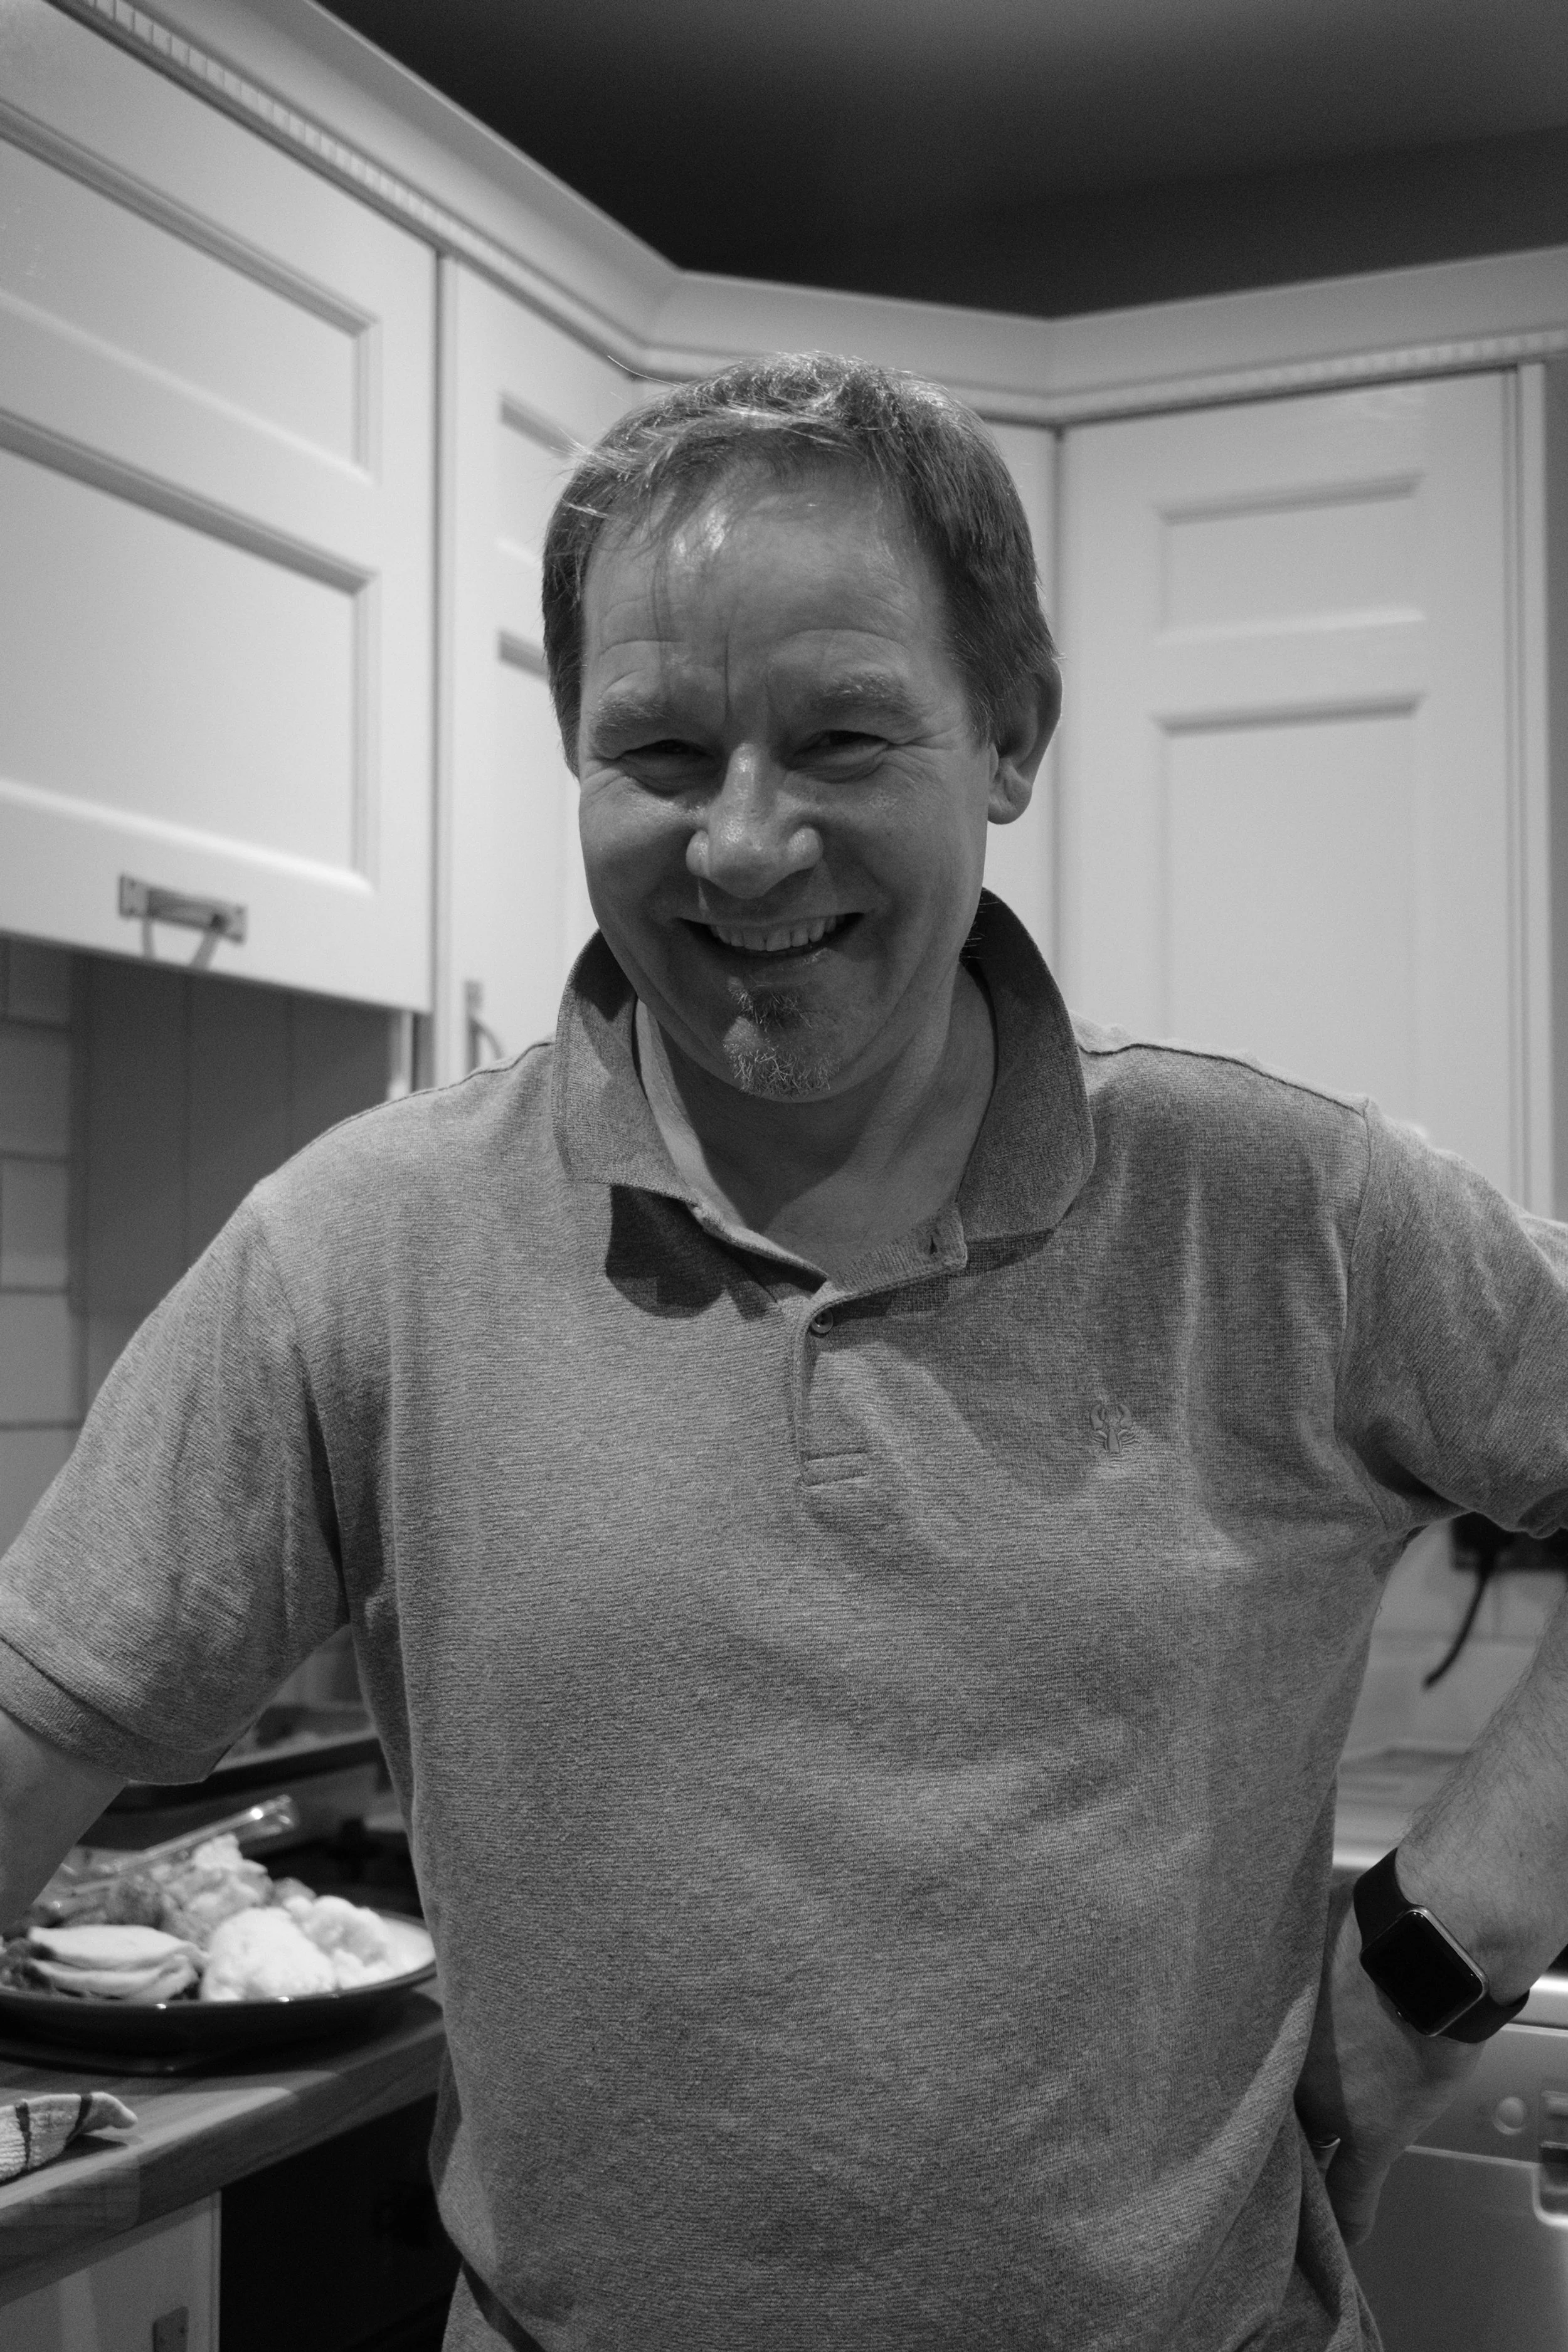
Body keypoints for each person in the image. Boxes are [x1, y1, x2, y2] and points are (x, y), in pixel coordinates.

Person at [1, 352, 1567, 2352]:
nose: (742, 845)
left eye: (838, 735)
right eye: (659, 750)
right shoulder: (360, 1249)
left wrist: (1442, 1937)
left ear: (1008, 733)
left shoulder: (1279, 1209)